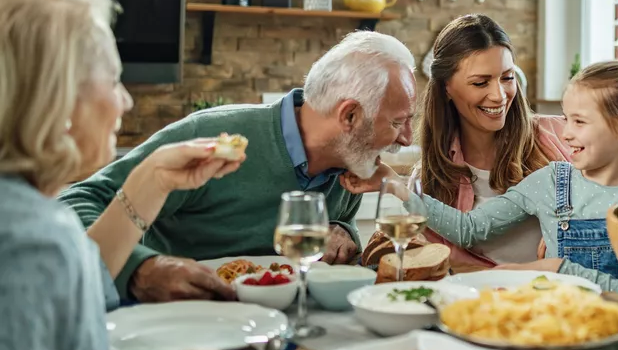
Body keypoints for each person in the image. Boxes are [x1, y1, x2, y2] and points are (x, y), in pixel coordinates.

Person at [0, 0, 236, 350]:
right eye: (113, 80)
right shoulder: (32, 238)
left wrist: (153, 179)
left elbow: (71, 291)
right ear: (60, 99)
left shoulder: (25, 213)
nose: (125, 101)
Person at [59, 31, 417, 303]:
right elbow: (76, 203)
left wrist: (343, 233)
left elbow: (336, 237)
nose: (406, 139)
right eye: (399, 122)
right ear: (350, 115)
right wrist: (140, 268)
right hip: (176, 324)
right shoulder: (212, 135)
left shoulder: (352, 164)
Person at [345, 61, 618, 297]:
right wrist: (397, 186)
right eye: (566, 119)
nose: (566, 134)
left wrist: (557, 268)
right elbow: (469, 228)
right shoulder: (553, 181)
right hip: (547, 324)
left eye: (579, 122)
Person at [411, 14, 571, 267]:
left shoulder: (563, 136)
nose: (499, 95)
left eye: (507, 78)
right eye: (480, 82)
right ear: (445, 88)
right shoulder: (428, 182)